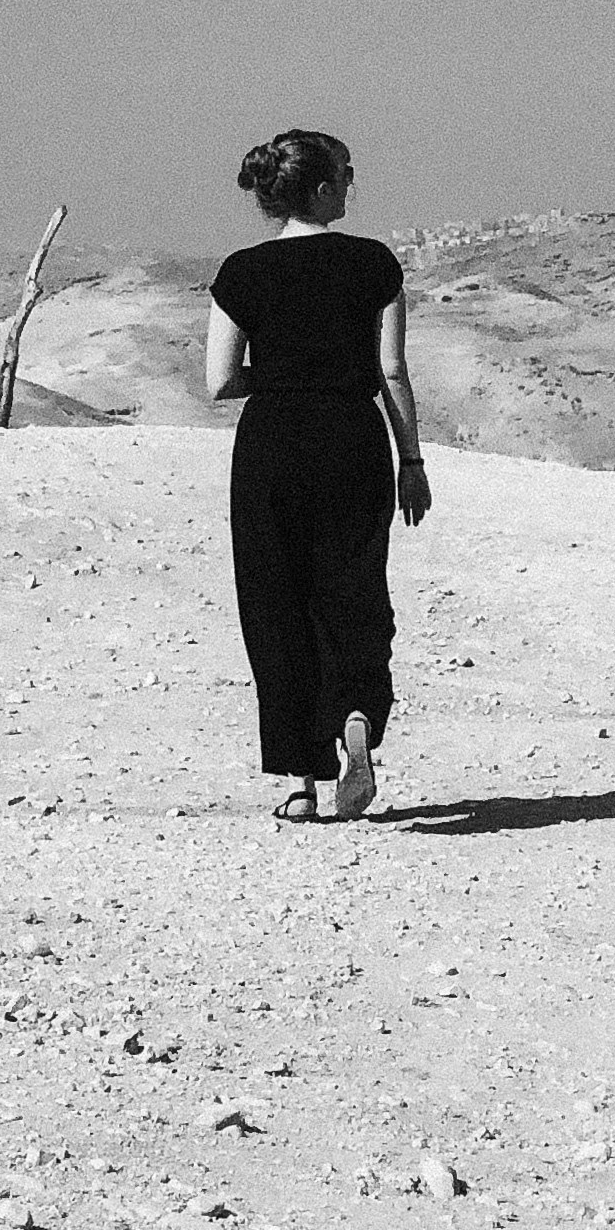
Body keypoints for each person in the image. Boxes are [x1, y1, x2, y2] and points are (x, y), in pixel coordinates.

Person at [206, 129, 431, 823]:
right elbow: (391, 371)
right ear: (324, 187)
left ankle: (302, 781)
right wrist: (412, 461)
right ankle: (357, 708)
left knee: (276, 603)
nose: (352, 184)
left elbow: (217, 380)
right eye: (346, 173)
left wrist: (278, 374)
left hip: (271, 444)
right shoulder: (372, 263)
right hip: (351, 439)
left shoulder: (240, 272)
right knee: (352, 587)